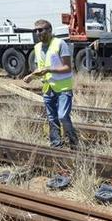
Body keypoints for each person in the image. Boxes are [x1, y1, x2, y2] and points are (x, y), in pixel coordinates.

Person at [23, 19, 79, 148]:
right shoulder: (37, 47)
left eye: (41, 30)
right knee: (51, 117)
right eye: (36, 30)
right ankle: (56, 144)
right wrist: (31, 76)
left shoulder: (60, 44)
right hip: (48, 88)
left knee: (63, 116)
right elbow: (40, 68)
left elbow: (67, 67)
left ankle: (74, 143)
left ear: (49, 30)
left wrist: (48, 70)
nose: (38, 33)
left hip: (63, 88)